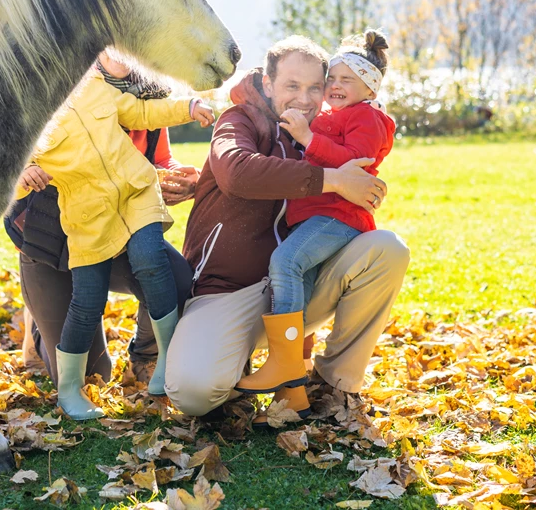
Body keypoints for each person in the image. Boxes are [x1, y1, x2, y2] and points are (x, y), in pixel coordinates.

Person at [163, 35, 410, 422]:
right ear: (267, 83)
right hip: (228, 291)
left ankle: (332, 384)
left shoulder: (323, 131)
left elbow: (353, 171)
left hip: (300, 287)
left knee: (388, 248)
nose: (305, 98)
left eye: (315, 87)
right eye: (292, 86)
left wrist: (350, 182)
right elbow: (238, 172)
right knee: (193, 393)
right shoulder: (239, 119)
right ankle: (239, 366)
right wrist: (334, 179)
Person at [16, 52, 215, 419]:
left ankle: (162, 356)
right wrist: (23, 172)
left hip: (136, 195)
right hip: (81, 221)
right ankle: (68, 387)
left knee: (152, 262)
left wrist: (188, 106)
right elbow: (6, 169)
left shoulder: (93, 86)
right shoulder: (30, 112)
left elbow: (141, 113)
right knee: (88, 313)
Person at [236, 30, 396, 394]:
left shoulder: (366, 118)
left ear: (370, 89)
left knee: (286, 262)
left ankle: (283, 363)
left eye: (348, 80)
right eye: (333, 79)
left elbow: (354, 162)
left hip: (338, 217)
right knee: (300, 290)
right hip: (315, 218)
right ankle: (291, 394)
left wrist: (308, 139)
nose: (335, 86)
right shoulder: (334, 113)